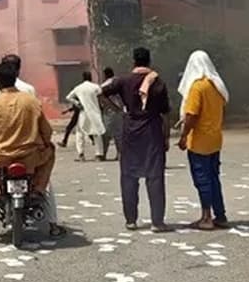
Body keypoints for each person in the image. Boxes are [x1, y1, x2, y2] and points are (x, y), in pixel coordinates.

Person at [0, 54, 64, 238]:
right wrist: (43, 143)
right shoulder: (31, 99)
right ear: (16, 75)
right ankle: (47, 213)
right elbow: (47, 131)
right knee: (49, 155)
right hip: (29, 156)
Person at [101, 47, 172, 232]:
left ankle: (131, 220)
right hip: (152, 131)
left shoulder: (123, 80)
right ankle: (157, 222)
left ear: (133, 61)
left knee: (129, 176)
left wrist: (117, 109)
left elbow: (100, 93)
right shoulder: (158, 82)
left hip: (131, 130)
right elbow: (165, 114)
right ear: (149, 61)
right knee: (155, 176)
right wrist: (166, 137)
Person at [177, 50, 229, 231]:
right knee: (214, 178)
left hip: (199, 141)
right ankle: (220, 216)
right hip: (215, 139)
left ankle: (206, 217)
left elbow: (191, 115)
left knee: (202, 180)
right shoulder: (217, 86)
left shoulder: (197, 87)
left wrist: (183, 136)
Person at [66, 71, 106, 161]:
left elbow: (68, 97)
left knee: (80, 133)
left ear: (83, 78)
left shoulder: (78, 88)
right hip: (95, 112)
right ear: (90, 77)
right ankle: (98, 155)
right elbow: (101, 95)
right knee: (97, 133)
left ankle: (81, 154)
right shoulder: (95, 87)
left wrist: (77, 103)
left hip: (83, 113)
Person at [100, 67, 124, 160]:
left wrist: (113, 107)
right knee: (119, 133)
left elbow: (102, 98)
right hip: (120, 111)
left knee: (106, 133)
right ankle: (120, 154)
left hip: (109, 112)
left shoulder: (104, 85)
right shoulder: (119, 82)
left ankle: (104, 154)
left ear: (105, 75)